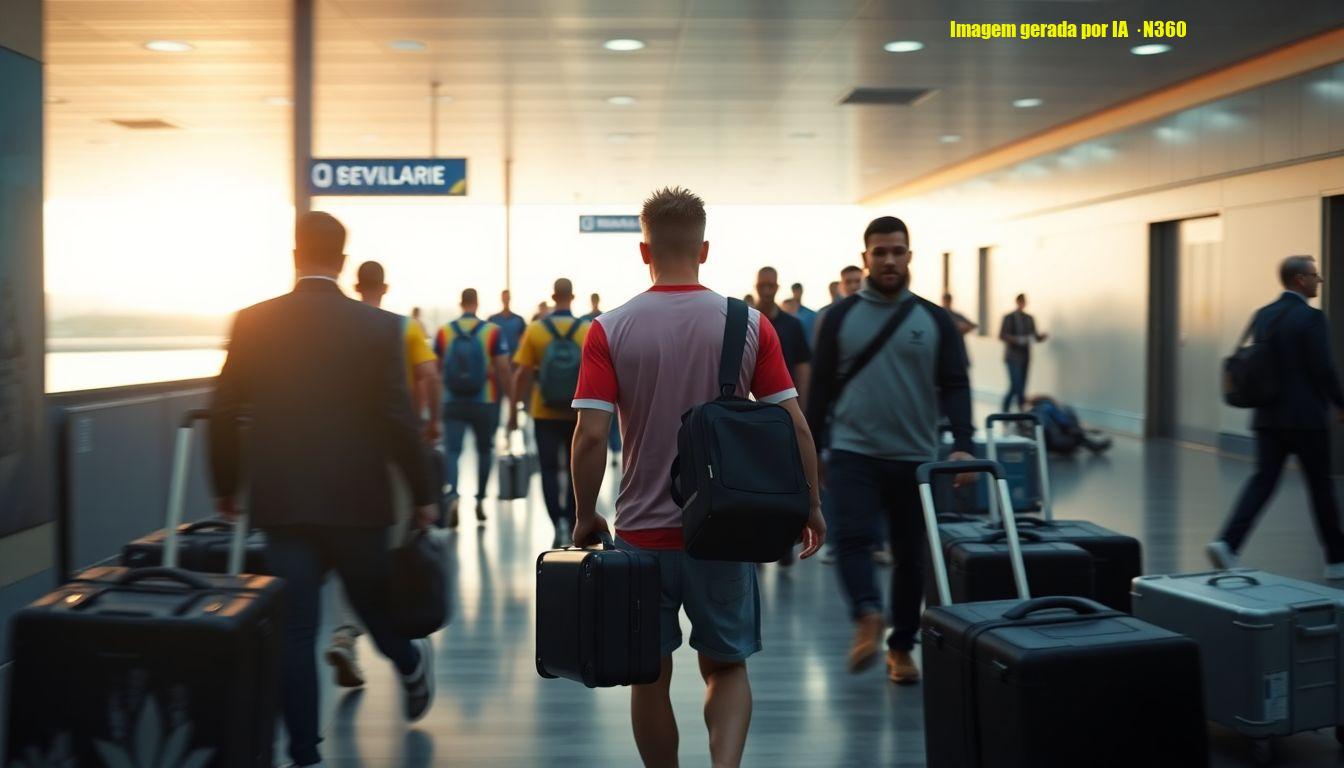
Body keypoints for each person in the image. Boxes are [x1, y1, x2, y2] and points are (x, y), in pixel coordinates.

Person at [570, 186, 825, 768]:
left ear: (644, 251)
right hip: (726, 529)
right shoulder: (750, 324)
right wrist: (809, 506)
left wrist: (586, 514)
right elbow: (796, 428)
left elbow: (588, 437)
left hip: (639, 534)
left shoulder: (610, 328)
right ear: (704, 249)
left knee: (649, 677)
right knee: (727, 665)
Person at [209, 213, 437, 768]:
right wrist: (424, 491)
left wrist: (227, 484)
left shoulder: (253, 322)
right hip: (359, 502)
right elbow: (396, 418)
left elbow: (223, 409)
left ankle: (305, 754)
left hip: (283, 501)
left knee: (295, 632)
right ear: (340, 261)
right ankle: (407, 663)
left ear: (294, 254)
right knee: (374, 608)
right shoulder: (378, 328)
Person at [807, 215, 975, 686]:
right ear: (865, 258)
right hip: (853, 452)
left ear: (909, 256)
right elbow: (818, 391)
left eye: (897, 251)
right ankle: (867, 614)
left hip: (916, 457)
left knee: (910, 557)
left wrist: (962, 444)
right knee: (852, 540)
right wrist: (812, 451)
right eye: (879, 252)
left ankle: (900, 647)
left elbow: (956, 384)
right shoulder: (838, 317)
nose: (888, 260)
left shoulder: (933, 319)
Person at [322, 261, 442, 690]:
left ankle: (345, 634)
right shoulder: (399, 328)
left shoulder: (342, 327)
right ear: (385, 287)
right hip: (390, 457)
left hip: (341, 457)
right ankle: (390, 639)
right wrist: (430, 420)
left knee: (341, 546)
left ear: (356, 285)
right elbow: (428, 374)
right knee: (383, 550)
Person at [1208, 256, 1344, 579]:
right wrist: (1340, 402)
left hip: (1267, 417)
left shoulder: (1264, 315)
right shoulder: (1310, 318)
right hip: (1306, 418)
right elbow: (1322, 368)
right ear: (1299, 279)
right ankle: (1337, 560)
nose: (1318, 281)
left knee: (1263, 481)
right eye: (1314, 275)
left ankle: (1227, 542)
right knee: (1320, 486)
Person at [508, 278, 590, 547]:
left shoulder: (536, 330)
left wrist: (513, 411)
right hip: (577, 411)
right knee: (575, 467)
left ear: (553, 296)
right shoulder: (587, 330)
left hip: (543, 411)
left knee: (548, 469)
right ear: (573, 296)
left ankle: (558, 523)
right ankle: (573, 517)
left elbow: (521, 374)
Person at [436, 288, 512, 527]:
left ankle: (453, 495)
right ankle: (479, 499)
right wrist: (511, 399)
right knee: (485, 450)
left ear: (461, 303)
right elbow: (502, 368)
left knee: (452, 451)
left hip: (452, 401)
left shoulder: (444, 332)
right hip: (484, 401)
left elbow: (436, 370)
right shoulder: (492, 332)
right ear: (477, 304)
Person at [755, 268, 811, 409]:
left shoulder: (792, 325)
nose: (767, 291)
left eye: (771, 286)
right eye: (762, 286)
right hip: (751, 406)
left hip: (785, 405)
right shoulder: (745, 322)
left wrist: (802, 409)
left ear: (777, 287)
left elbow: (802, 369)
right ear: (756, 287)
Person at [999, 293, 1048, 412]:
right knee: (1016, 384)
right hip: (1012, 356)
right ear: (1017, 302)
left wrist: (1040, 337)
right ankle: (1005, 410)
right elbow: (1002, 335)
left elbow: (1034, 336)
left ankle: (1021, 411)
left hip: (1025, 356)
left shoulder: (1029, 318)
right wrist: (1017, 339)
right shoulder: (1009, 317)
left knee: (1022, 386)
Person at [487, 289, 528, 366]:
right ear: (501, 299)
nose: (506, 300)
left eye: (507, 297)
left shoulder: (519, 320)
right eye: (504, 297)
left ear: (510, 298)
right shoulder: (493, 319)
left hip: (514, 360)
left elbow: (524, 341)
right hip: (497, 361)